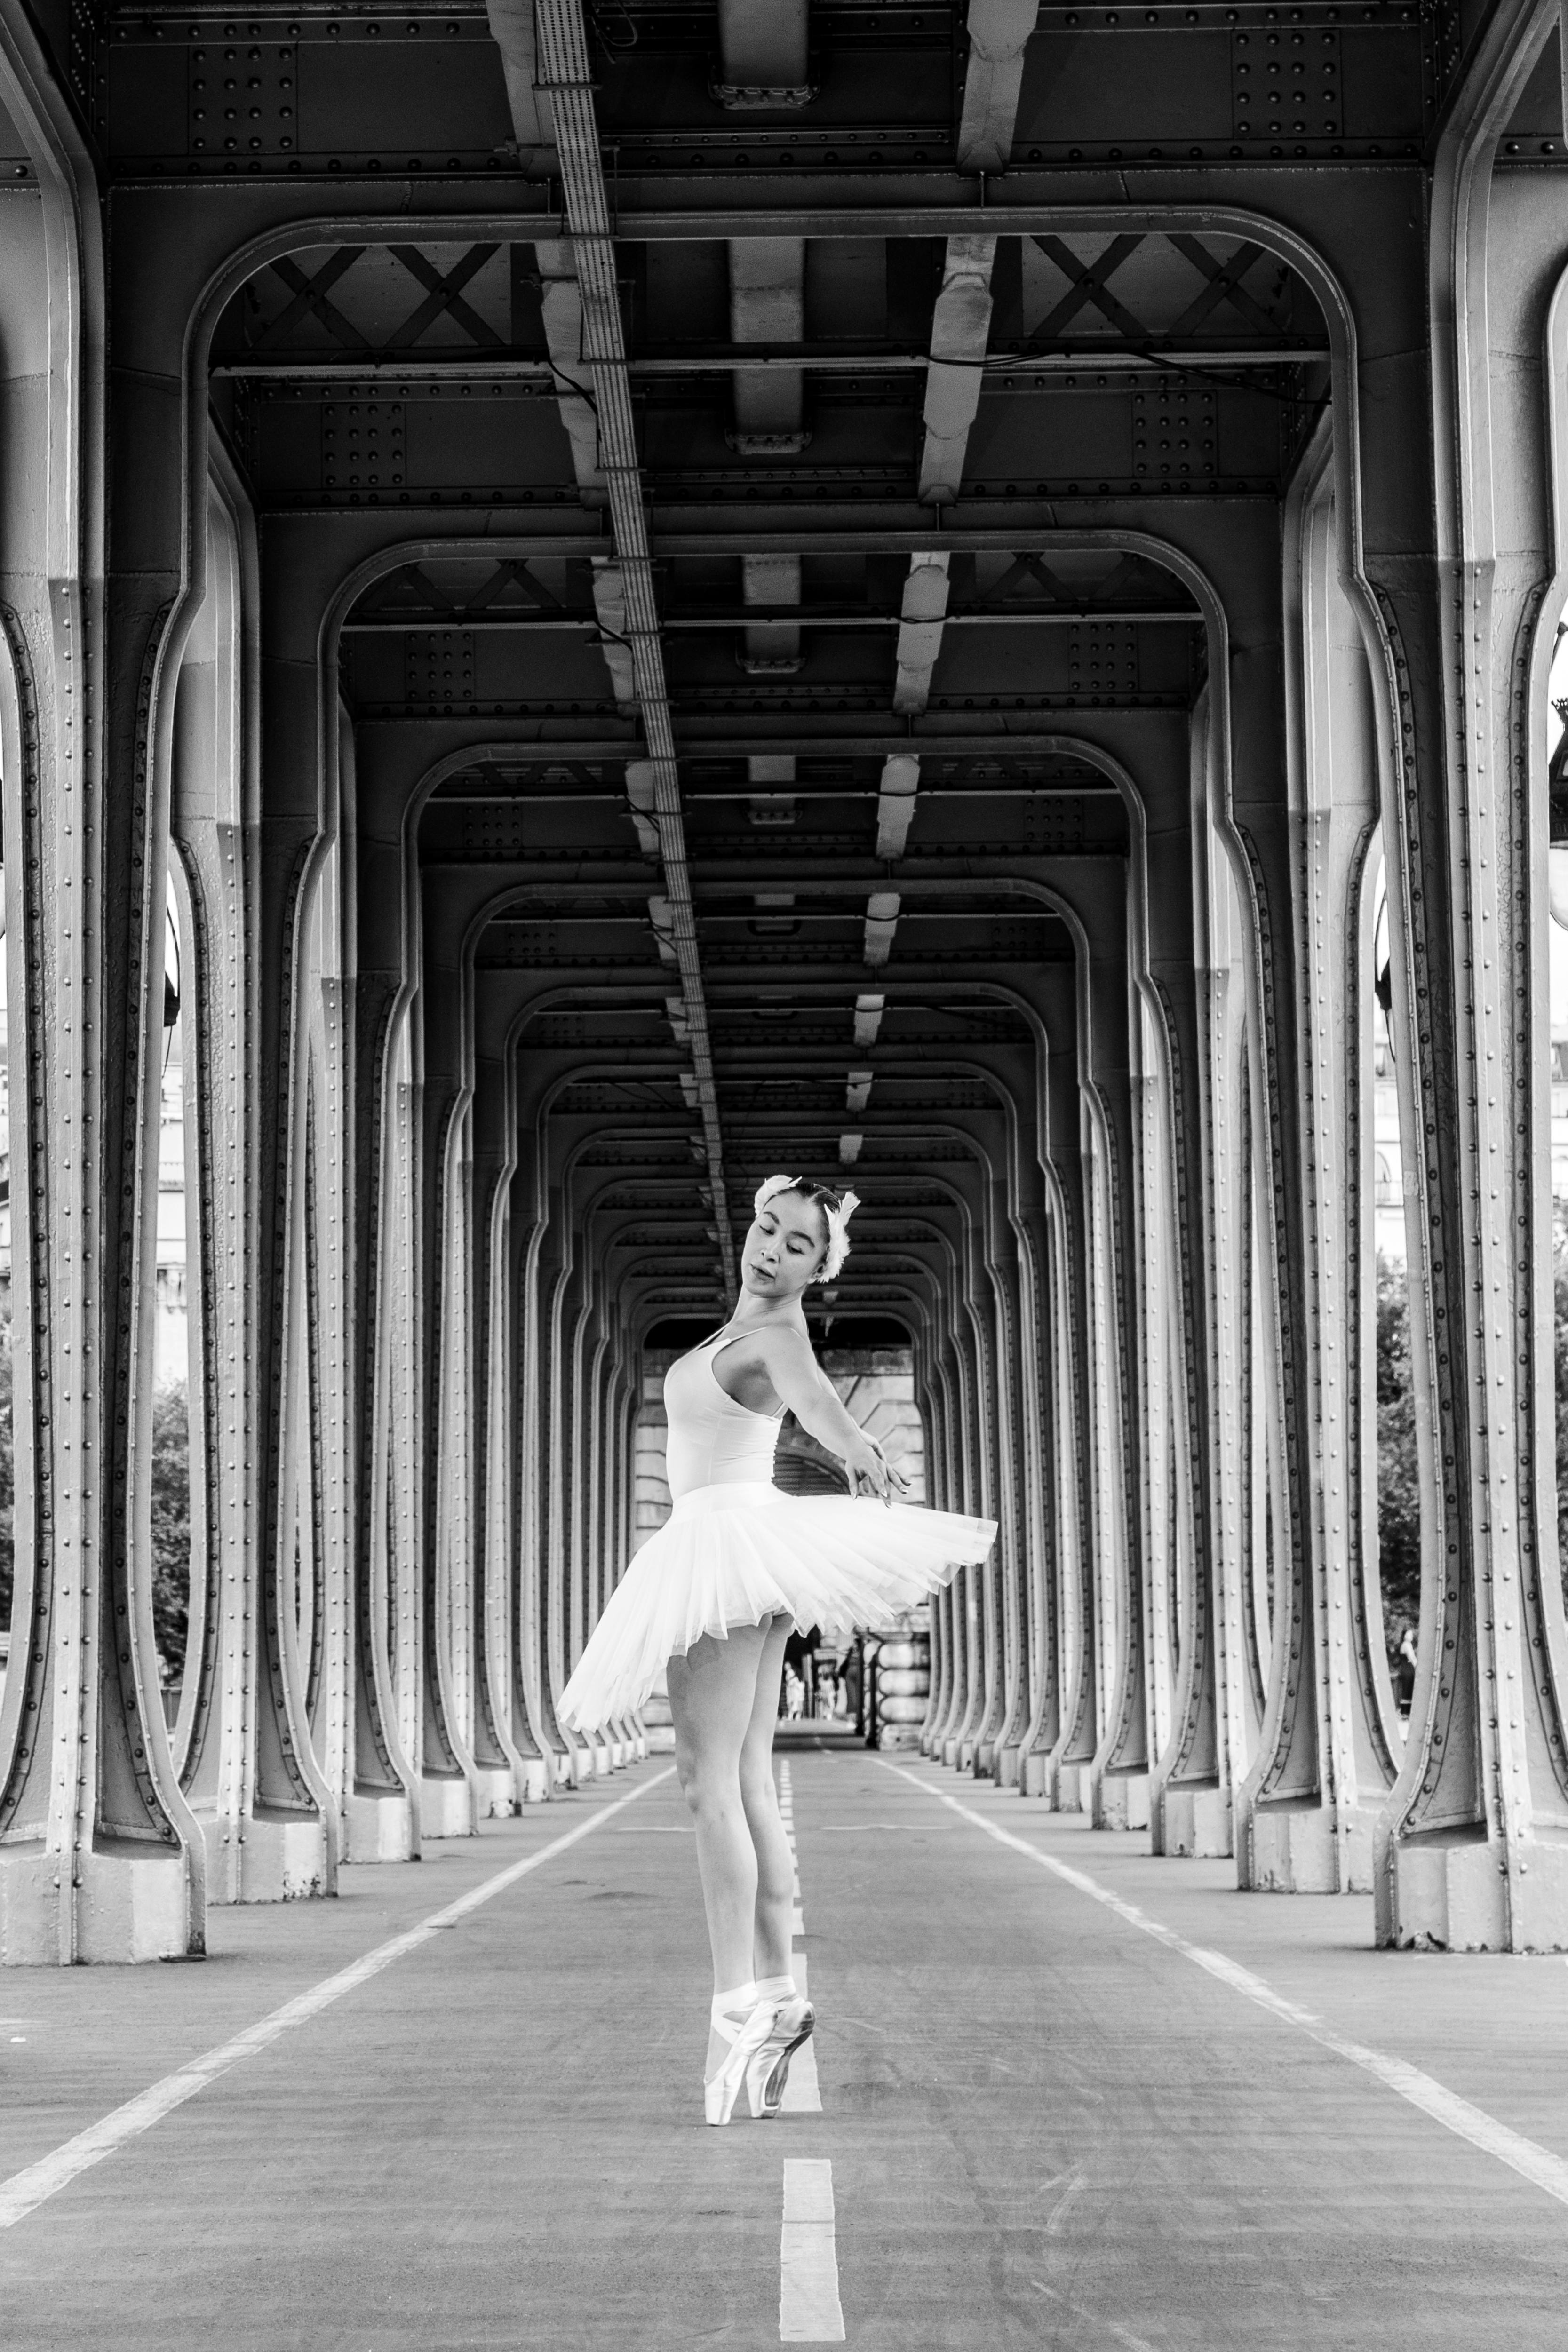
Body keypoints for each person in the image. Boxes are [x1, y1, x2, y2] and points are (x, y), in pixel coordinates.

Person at [559, 1173, 997, 2127]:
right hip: (730, 1539)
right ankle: (776, 1992)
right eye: (767, 1228)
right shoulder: (736, 1331)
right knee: (746, 1777)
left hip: (720, 1543)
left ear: (816, 1267)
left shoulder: (771, 1336)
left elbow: (817, 1404)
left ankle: (734, 2008)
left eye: (796, 1244)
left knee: (704, 1782)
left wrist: (857, 1453)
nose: (770, 1248)